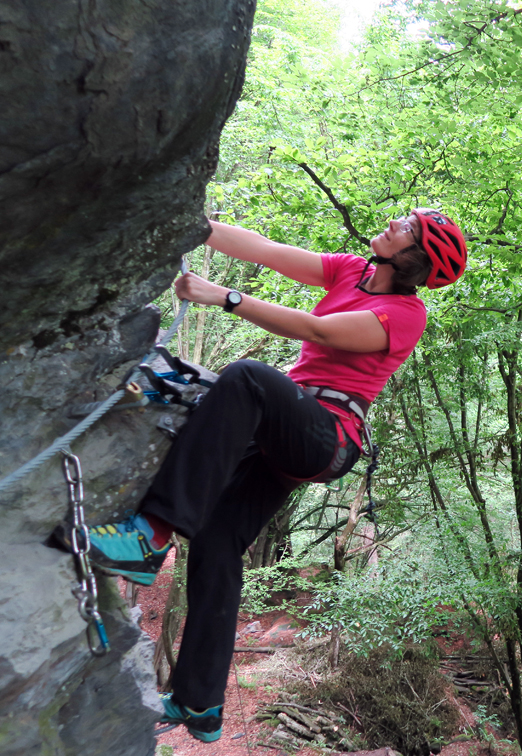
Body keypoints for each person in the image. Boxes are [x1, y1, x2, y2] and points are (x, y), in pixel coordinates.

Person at [65, 208, 467, 742]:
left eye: (405, 229)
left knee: (249, 377)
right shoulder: (350, 270)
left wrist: (227, 297)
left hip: (327, 435)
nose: (393, 223)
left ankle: (151, 535)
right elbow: (263, 249)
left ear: (412, 257)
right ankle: (200, 702)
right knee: (216, 540)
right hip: (280, 432)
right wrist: (195, 226)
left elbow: (317, 328)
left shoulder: (403, 313)